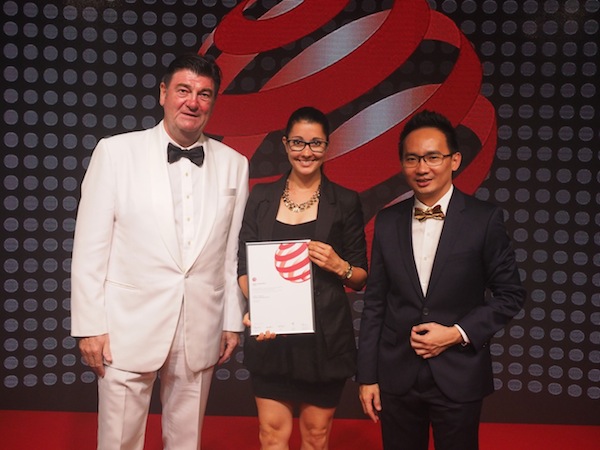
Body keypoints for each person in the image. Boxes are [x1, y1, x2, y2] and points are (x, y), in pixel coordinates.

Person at [70, 54, 249, 450]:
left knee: (187, 442)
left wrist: (231, 320)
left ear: (213, 101)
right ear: (163, 93)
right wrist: (89, 325)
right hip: (125, 328)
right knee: (118, 441)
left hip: (200, 326)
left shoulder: (235, 165)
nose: (193, 102)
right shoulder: (115, 153)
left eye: (204, 94)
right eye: (183, 90)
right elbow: (89, 247)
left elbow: (229, 252)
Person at [356, 110, 526, 450]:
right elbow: (375, 304)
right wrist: (367, 376)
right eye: (412, 159)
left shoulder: (483, 219)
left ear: (454, 160)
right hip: (397, 375)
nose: (422, 168)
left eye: (433, 157)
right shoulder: (387, 221)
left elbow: (510, 295)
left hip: (458, 373)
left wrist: (456, 333)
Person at [237, 106, 368, 450]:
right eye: (297, 142)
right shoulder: (261, 197)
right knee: (271, 435)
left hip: (324, 341)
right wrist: (261, 310)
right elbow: (244, 265)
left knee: (316, 437)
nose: (306, 152)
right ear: (285, 144)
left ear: (327, 146)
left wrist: (339, 265)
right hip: (272, 338)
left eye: (315, 143)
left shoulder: (345, 201)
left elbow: (359, 276)